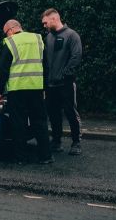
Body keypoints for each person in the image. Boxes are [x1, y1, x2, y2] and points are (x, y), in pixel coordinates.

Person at [0, 19, 53, 164]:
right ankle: (46, 157)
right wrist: (44, 87)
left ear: (12, 29)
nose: (6, 36)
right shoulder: (38, 39)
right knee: (40, 122)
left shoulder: (10, 43)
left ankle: (21, 158)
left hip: (17, 90)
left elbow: (3, 69)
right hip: (36, 88)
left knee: (19, 123)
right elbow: (46, 66)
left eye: (6, 33)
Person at [41, 8, 83, 156]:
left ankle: (76, 142)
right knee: (53, 114)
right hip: (51, 84)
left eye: (45, 22)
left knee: (70, 112)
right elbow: (46, 61)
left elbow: (76, 57)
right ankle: (57, 142)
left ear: (54, 19)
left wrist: (64, 75)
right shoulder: (48, 38)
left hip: (66, 83)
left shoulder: (71, 35)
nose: (44, 26)